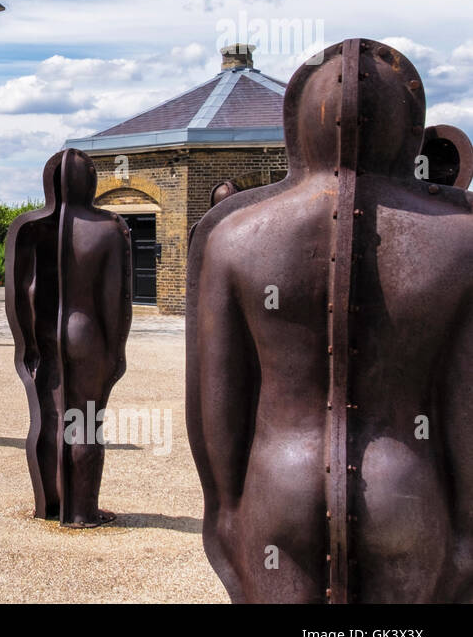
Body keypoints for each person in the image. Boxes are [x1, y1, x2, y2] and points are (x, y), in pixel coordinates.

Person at [188, 38, 473, 602]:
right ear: (409, 124)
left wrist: (224, 511)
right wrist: (466, 525)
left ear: (298, 122)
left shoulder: (235, 238)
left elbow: (216, 402)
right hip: (405, 491)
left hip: (280, 488)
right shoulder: (460, 243)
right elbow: (465, 402)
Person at [4, 149, 132, 526]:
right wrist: (116, 351)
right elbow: (114, 302)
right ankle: (81, 510)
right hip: (87, 335)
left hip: (46, 334)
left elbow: (23, 292)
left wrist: (25, 344)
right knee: (86, 419)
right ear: (91, 181)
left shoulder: (29, 226)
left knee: (46, 416)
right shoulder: (109, 229)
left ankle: (49, 504)